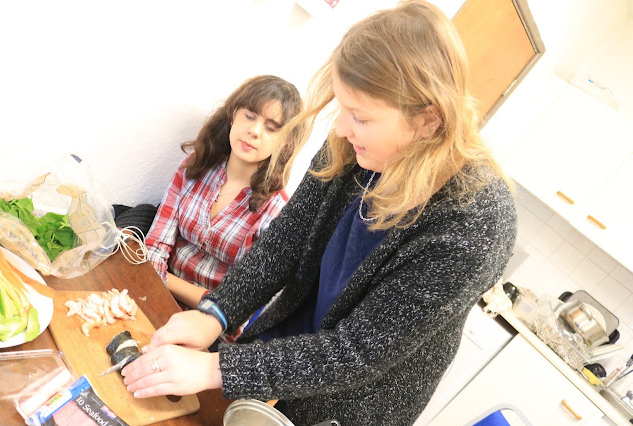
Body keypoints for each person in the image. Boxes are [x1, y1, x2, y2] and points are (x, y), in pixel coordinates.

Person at [123, 1, 518, 424]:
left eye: (360, 117)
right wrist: (216, 314)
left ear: (428, 120)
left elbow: (358, 351)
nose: (342, 128)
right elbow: (287, 239)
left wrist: (214, 369)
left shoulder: (476, 223)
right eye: (343, 108)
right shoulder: (353, 143)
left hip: (351, 402)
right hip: (286, 349)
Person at [145, 75, 303, 320]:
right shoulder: (197, 165)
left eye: (271, 128)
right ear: (233, 115)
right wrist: (155, 290)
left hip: (211, 326)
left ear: (285, 142)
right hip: (156, 295)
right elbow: (156, 245)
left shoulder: (277, 212)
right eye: (250, 116)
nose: (254, 131)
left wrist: (165, 281)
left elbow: (238, 307)